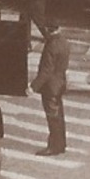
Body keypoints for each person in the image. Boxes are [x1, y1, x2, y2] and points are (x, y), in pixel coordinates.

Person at [30, 22, 70, 156]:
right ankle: (61, 144)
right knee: (59, 116)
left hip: (51, 86)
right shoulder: (63, 41)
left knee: (53, 118)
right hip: (59, 83)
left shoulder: (52, 45)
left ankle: (54, 147)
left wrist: (33, 86)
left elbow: (46, 71)